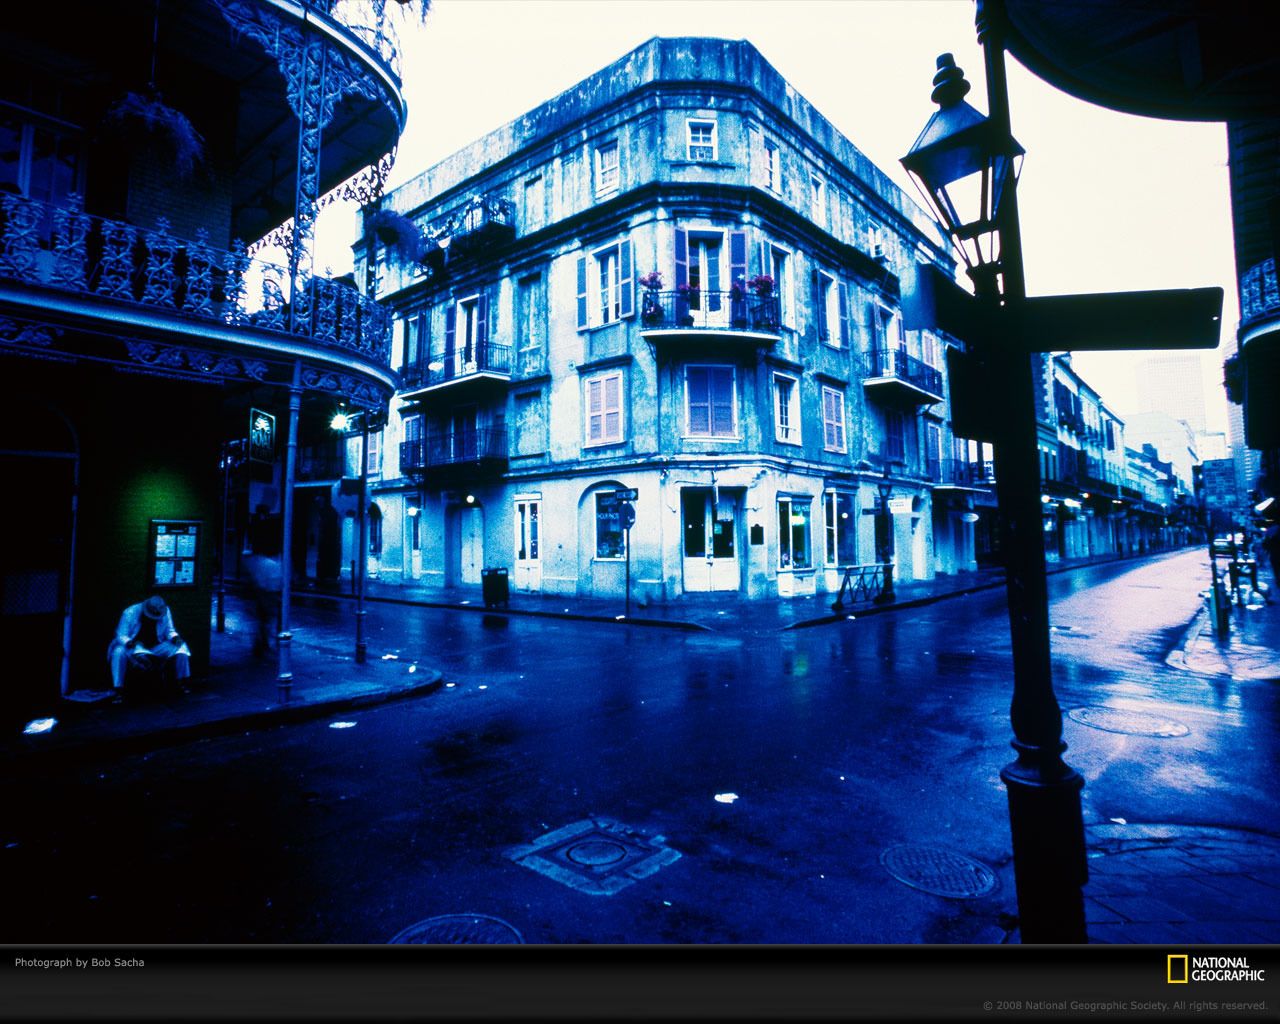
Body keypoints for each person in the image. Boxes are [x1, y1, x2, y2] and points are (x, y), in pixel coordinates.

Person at [108, 596, 191, 698]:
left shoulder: (165, 611)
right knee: (118, 652)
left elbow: (170, 630)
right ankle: (118, 689)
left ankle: (182, 682)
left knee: (181, 648)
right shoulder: (129, 612)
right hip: (133, 647)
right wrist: (132, 644)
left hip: (156, 647)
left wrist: (175, 638)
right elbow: (121, 635)